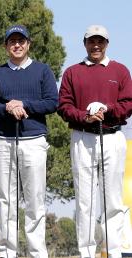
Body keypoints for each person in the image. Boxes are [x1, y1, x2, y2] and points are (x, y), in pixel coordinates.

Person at [0, 25, 58, 258]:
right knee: (6, 198)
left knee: (35, 199)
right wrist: (7, 107)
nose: (17, 45)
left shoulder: (43, 71)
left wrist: (22, 104)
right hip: (3, 142)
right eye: (12, 41)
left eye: (21, 41)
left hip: (33, 141)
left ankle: (37, 253)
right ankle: (7, 252)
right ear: (6, 46)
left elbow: (52, 102)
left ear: (28, 44)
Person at [58, 25, 132, 258]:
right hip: (82, 137)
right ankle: (86, 253)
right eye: (92, 41)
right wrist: (85, 116)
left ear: (107, 43)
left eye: (100, 41)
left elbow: (128, 103)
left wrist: (108, 110)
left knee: (112, 199)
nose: (96, 45)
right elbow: (64, 106)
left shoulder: (120, 70)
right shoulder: (72, 72)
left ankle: (114, 251)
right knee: (85, 201)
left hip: (112, 137)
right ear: (85, 43)